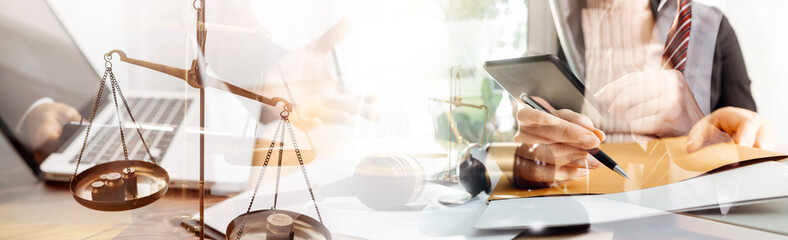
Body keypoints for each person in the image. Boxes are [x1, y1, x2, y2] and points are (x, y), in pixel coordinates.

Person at [511, 0, 773, 186]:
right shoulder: (560, 40)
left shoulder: (711, 28)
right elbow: (536, 140)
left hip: (692, 218)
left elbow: (749, 149)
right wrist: (533, 161)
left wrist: (697, 130)